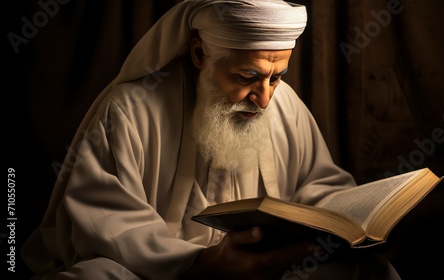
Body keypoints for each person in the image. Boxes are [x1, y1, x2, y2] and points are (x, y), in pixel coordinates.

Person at [21, 0, 401, 279]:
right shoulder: (130, 110)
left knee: (370, 271)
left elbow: (317, 186)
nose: (265, 98)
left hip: (265, 269)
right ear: (201, 53)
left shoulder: (284, 105)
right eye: (246, 76)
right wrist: (201, 264)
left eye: (276, 77)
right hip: (163, 274)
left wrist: (353, 224)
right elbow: (107, 222)